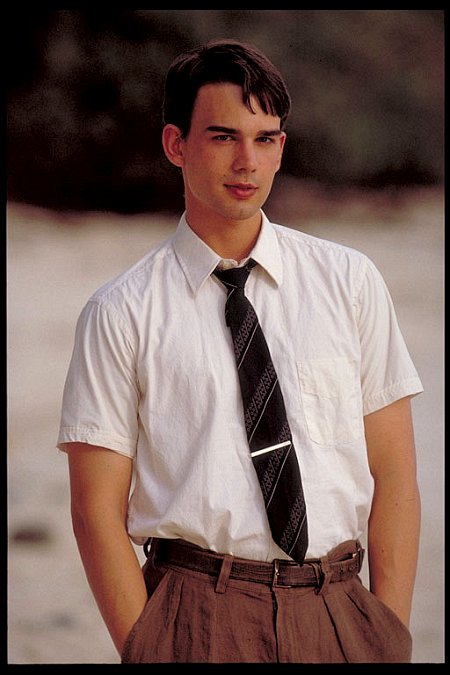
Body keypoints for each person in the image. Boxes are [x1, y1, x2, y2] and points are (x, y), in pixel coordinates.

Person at [57, 39, 423, 663]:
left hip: (338, 610)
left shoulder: (350, 282)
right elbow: (95, 510)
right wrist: (149, 647)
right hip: (195, 617)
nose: (246, 162)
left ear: (282, 147)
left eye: (266, 138)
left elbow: (394, 476)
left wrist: (386, 632)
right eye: (223, 137)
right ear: (176, 145)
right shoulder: (120, 312)